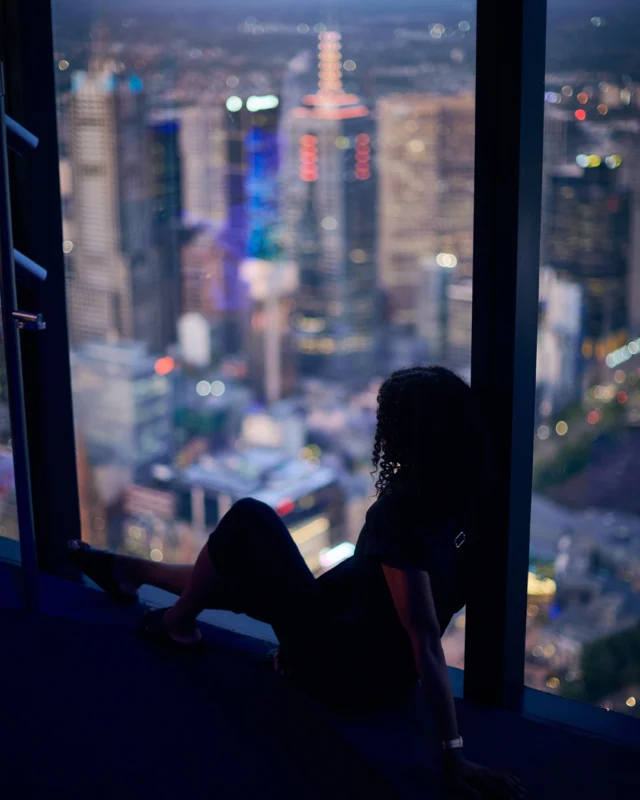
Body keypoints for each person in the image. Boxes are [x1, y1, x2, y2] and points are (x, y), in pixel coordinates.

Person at [70, 365, 524, 799]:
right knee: (264, 578)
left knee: (250, 516)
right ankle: (129, 570)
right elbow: (377, 585)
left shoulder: (400, 513)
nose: (382, 434)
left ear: (408, 436)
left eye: (388, 421)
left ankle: (176, 624)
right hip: (382, 671)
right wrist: (300, 618)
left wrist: (452, 754)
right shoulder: (464, 502)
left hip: (345, 675)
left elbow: (422, 636)